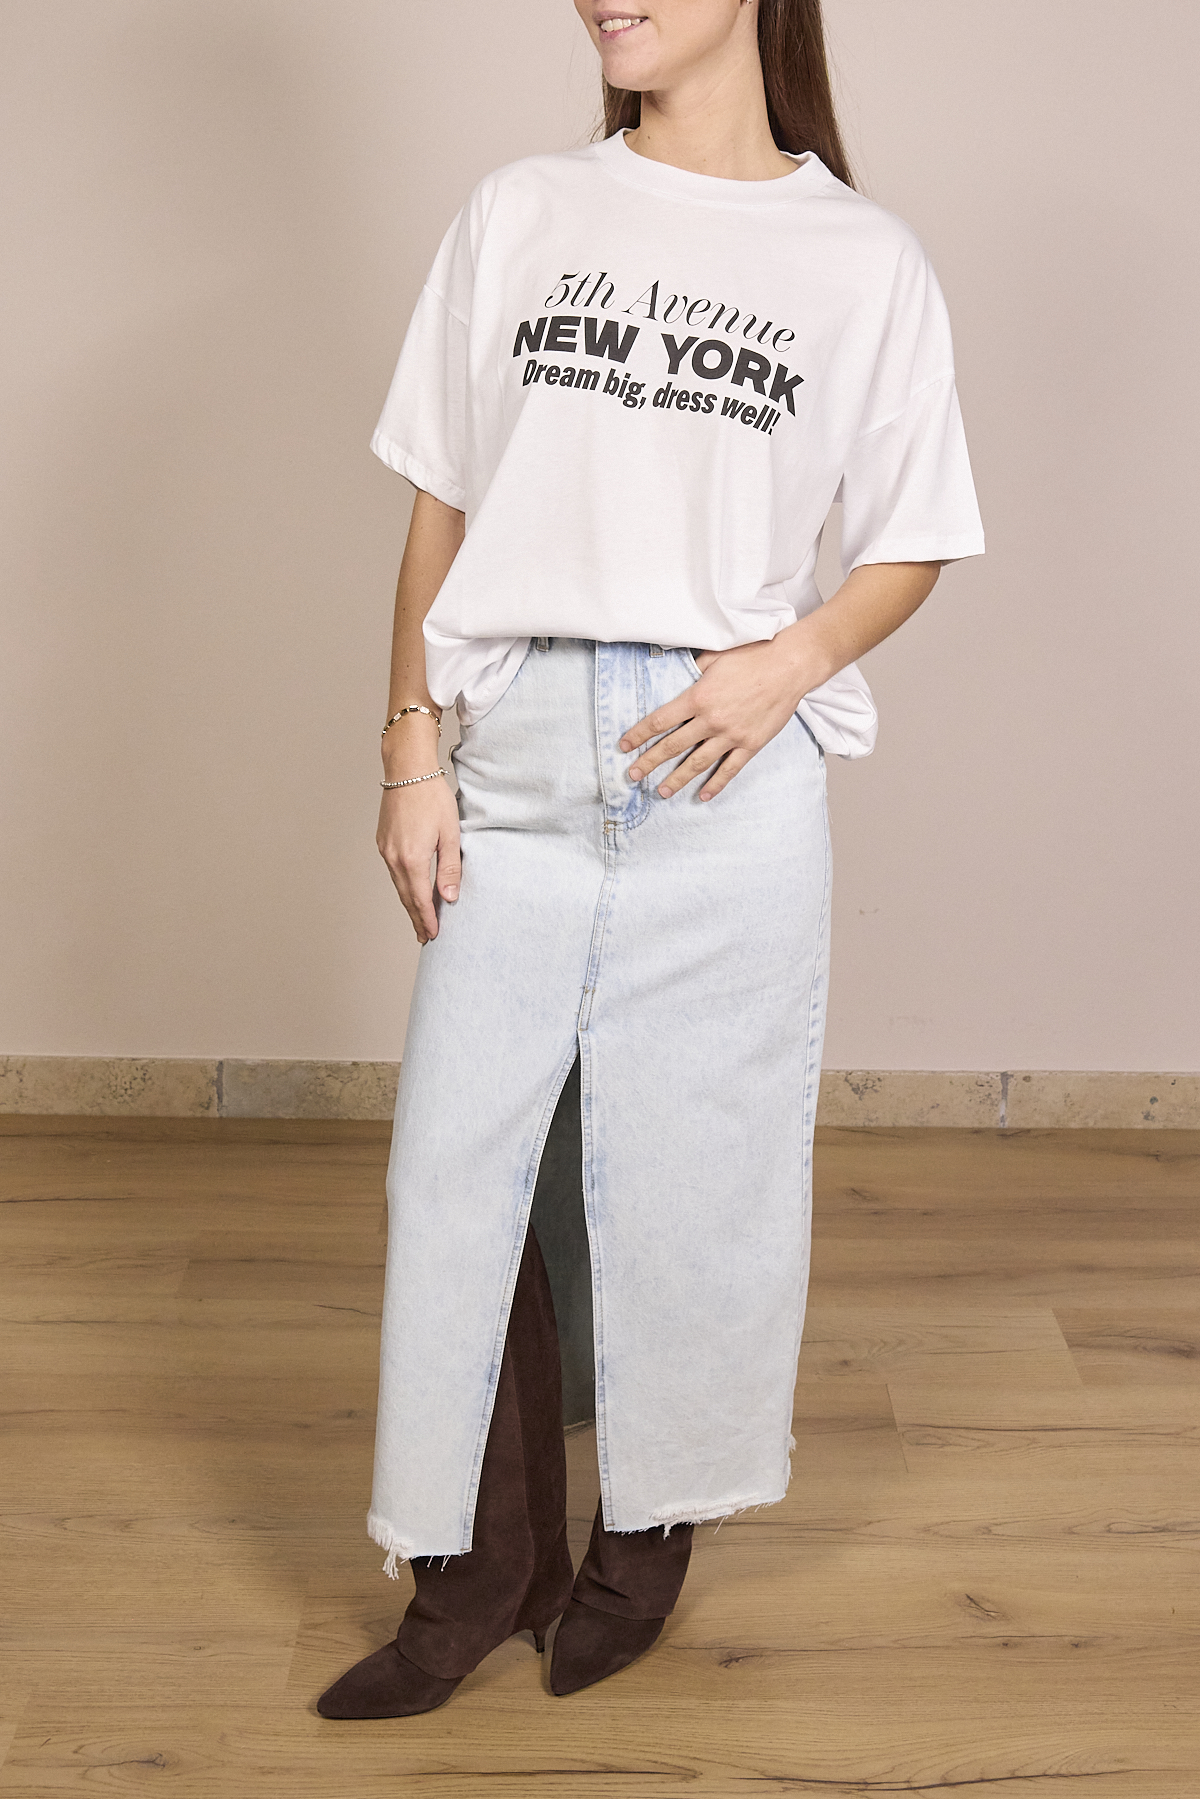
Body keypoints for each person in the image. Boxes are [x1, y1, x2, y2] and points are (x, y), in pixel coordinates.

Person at [317, 0, 983, 1720]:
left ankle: (645, 1540)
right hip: (520, 745)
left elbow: (914, 537)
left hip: (720, 768)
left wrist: (786, 666)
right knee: (460, 1176)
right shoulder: (523, 210)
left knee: (698, 1176)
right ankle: (472, 1574)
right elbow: (443, 505)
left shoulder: (863, 259)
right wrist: (409, 745)